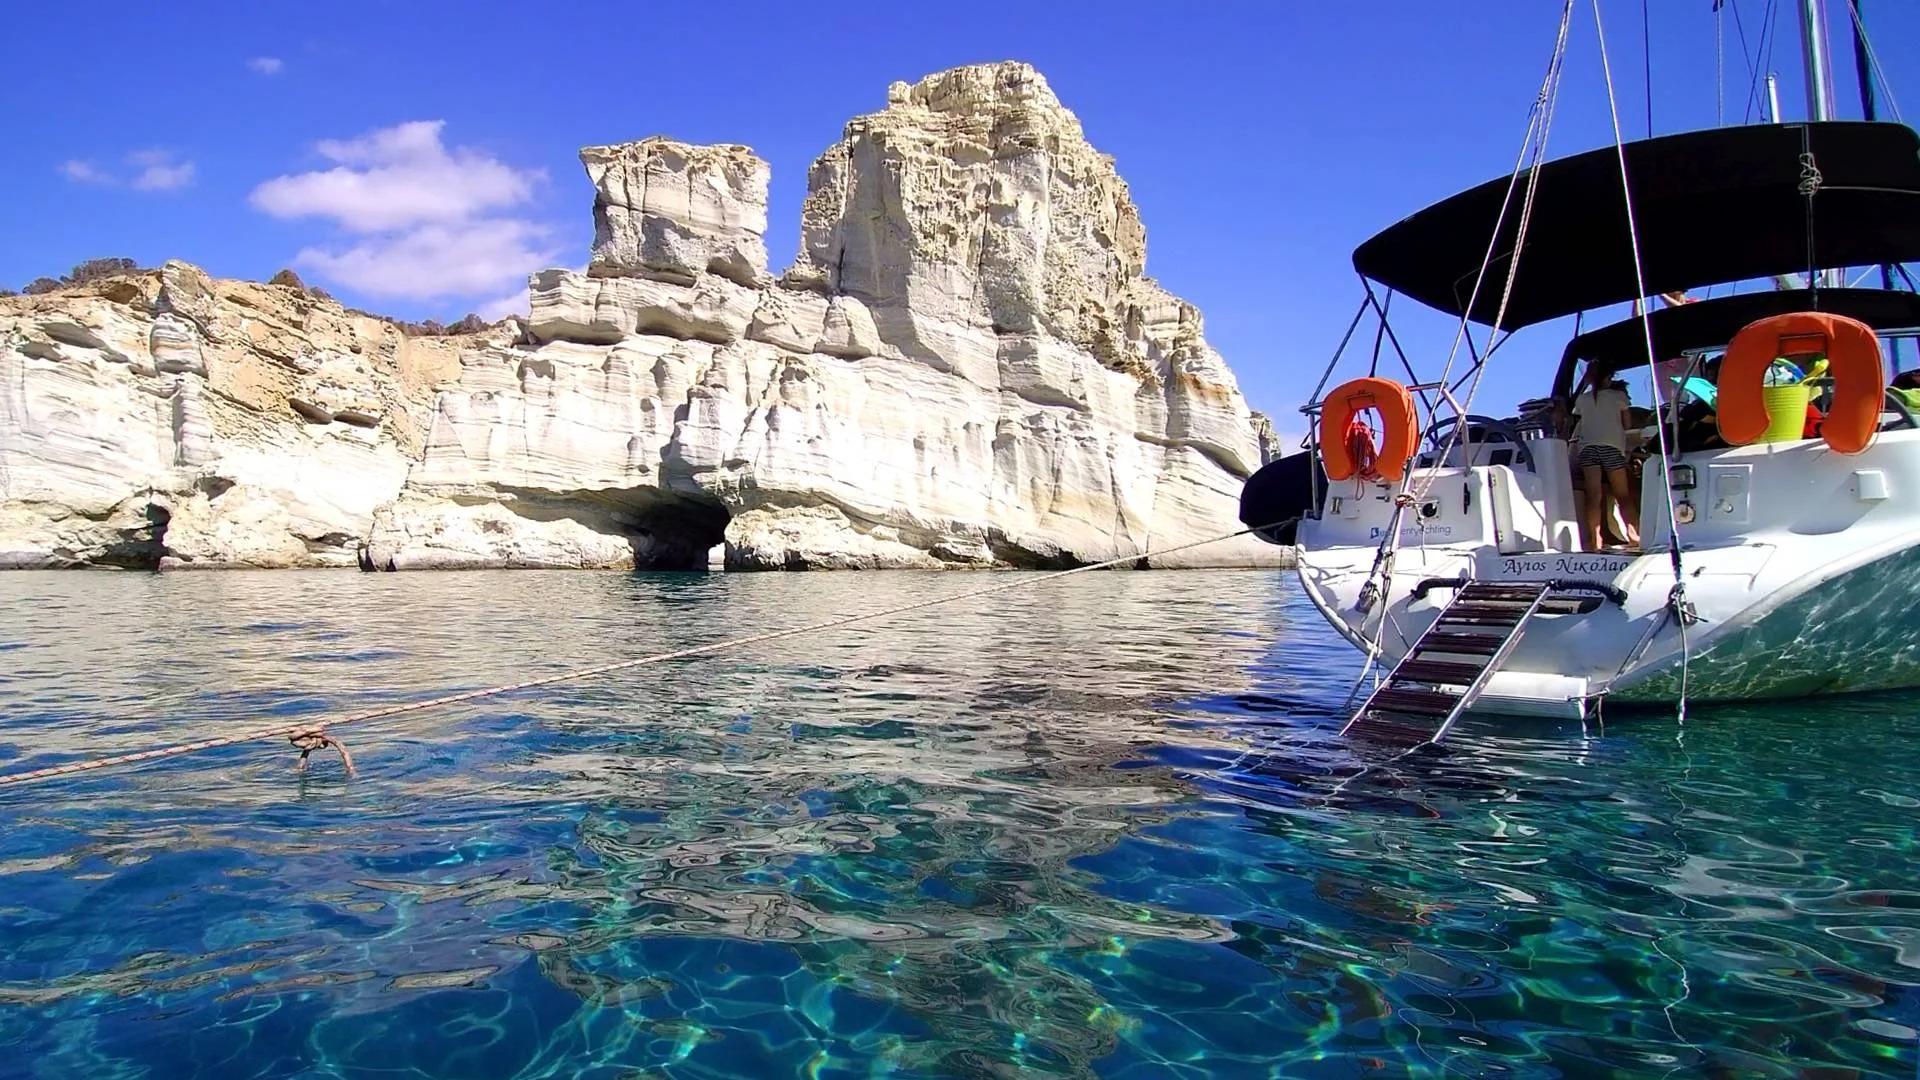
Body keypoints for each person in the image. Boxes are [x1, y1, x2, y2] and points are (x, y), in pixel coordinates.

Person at [1572, 371, 1640, 550]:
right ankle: (1633, 536)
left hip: (1587, 449)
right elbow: (1628, 425)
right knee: (1623, 495)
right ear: (1608, 378)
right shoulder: (1619, 396)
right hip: (1611, 448)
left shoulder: (1582, 399)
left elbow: (1579, 420)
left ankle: (1596, 541)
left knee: (1594, 497)